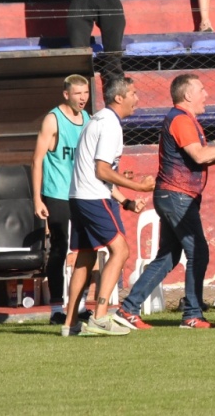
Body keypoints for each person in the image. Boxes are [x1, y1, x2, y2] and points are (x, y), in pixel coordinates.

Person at [115, 74, 215, 329]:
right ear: (188, 95)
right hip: (176, 196)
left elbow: (205, 158)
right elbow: (200, 156)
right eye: (202, 89)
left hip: (174, 195)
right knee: (198, 251)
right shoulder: (180, 119)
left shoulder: (184, 119)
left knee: (168, 256)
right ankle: (192, 314)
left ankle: (128, 308)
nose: (207, 95)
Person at [61, 76, 152, 337]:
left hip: (79, 197)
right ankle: (101, 316)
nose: (137, 98)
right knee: (121, 250)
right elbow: (102, 170)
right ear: (119, 97)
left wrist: (125, 200)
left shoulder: (97, 120)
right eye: (133, 93)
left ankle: (70, 324)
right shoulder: (110, 124)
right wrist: (139, 187)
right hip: (92, 197)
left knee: (86, 257)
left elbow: (96, 170)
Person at [31, 74, 91, 325]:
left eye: (86, 93)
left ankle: (81, 305)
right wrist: (37, 199)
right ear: (66, 94)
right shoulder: (53, 119)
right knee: (59, 248)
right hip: (57, 193)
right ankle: (56, 308)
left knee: (87, 249)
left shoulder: (87, 118)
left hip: (82, 193)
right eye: (78, 93)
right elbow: (37, 160)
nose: (83, 98)